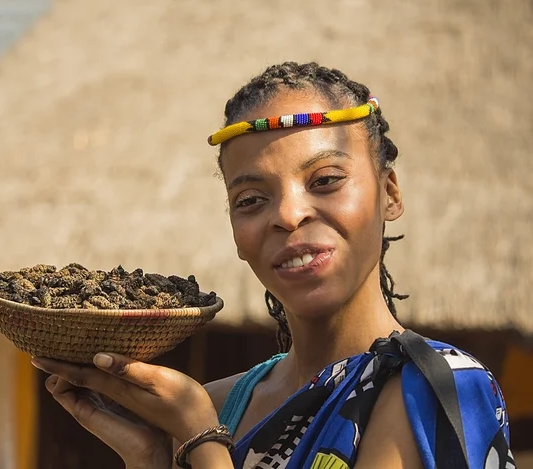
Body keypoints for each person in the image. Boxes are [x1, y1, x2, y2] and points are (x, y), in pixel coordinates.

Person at [31, 62, 515, 469]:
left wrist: (204, 442)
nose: (287, 215)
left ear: (389, 194)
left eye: (325, 180)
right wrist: (156, 460)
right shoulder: (222, 403)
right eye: (251, 200)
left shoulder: (434, 388)